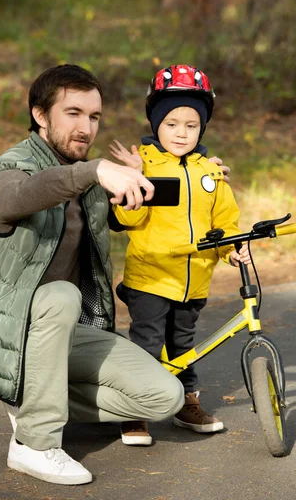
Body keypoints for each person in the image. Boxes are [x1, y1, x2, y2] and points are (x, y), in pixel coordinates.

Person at [0, 64, 229, 486]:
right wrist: (93, 171)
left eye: (94, 117)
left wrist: (206, 178)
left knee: (163, 397)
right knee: (60, 295)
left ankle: (34, 397)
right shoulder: (7, 169)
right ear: (40, 115)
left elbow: (147, 206)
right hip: (3, 329)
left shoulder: (91, 183)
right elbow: (18, 197)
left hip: (64, 333)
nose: (86, 127)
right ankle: (33, 444)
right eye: (73, 113)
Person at [109, 64, 250, 447]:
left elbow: (225, 221)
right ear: (156, 123)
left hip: (194, 280)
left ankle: (186, 403)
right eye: (172, 124)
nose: (182, 133)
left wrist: (231, 250)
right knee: (148, 344)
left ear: (202, 127)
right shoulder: (146, 164)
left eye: (191, 125)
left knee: (183, 345)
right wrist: (133, 178)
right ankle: (133, 412)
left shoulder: (211, 172)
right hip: (151, 278)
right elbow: (122, 218)